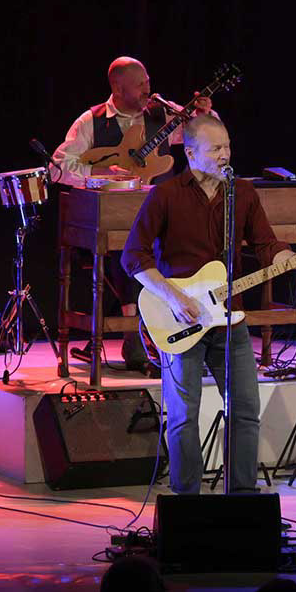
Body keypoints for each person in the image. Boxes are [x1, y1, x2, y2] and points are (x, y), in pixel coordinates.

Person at [121, 114, 296, 494]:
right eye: (215, 149)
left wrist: (295, 259)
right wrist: (174, 297)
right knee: (184, 415)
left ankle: (242, 496)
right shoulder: (165, 194)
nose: (225, 155)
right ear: (190, 153)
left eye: (227, 146)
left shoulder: (242, 193)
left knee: (245, 410)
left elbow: (266, 245)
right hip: (180, 319)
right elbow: (133, 256)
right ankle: (186, 499)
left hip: (229, 320)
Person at [53, 56, 215, 371]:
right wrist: (99, 173)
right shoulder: (91, 121)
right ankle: (135, 341)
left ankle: (191, 338)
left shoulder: (162, 112)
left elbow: (206, 139)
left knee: (191, 243)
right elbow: (57, 168)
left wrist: (203, 116)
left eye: (148, 82)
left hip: (164, 219)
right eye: (140, 84)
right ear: (118, 88)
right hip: (117, 224)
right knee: (128, 248)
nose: (147, 89)